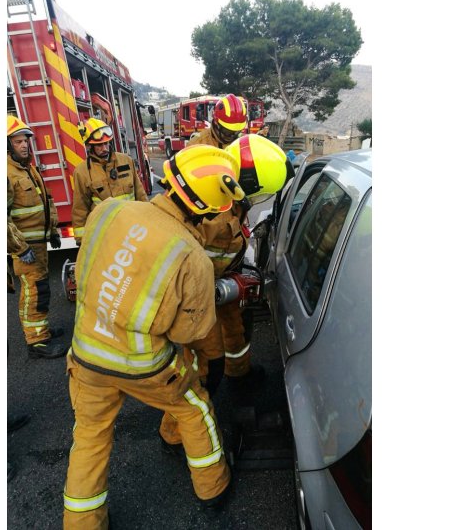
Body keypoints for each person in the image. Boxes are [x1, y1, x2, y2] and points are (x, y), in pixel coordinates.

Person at [61, 145, 245, 529]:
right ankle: (213, 489)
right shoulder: (191, 255)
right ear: (210, 209)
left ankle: (82, 524)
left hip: (85, 355)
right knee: (194, 408)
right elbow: (188, 332)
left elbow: (85, 267)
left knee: (90, 438)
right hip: (144, 366)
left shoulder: (109, 209)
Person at [159, 134, 289, 452]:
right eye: (260, 196)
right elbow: (180, 266)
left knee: (237, 328)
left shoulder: (232, 204)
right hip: (199, 296)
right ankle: (174, 432)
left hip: (222, 282)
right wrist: (217, 289)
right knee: (200, 364)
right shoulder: (211, 213)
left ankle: (239, 374)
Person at [7, 115, 66, 359]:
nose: (24, 145)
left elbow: (46, 201)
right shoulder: (5, 173)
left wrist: (52, 231)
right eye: (17, 141)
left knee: (41, 290)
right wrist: (20, 248)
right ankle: (37, 342)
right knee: (34, 292)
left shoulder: (27, 169)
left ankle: (41, 330)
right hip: (26, 248)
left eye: (25, 141)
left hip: (38, 244)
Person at [71, 117, 148, 245]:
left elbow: (140, 194)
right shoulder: (82, 172)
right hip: (105, 236)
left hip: (132, 230)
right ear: (90, 146)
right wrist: (82, 239)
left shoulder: (126, 161)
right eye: (99, 145)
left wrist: (148, 220)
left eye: (106, 143)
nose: (104, 148)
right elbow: (80, 208)